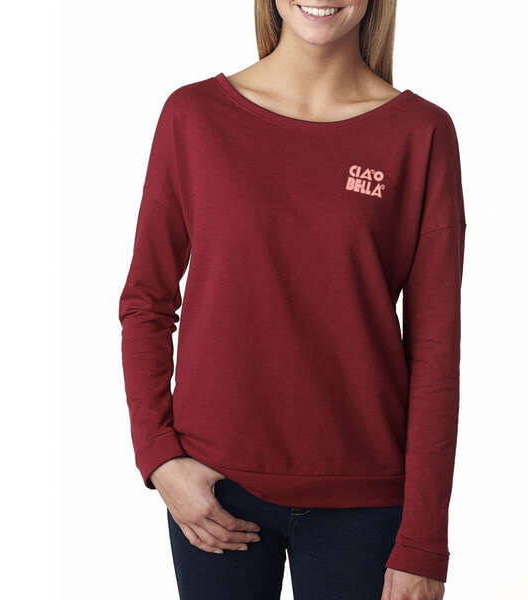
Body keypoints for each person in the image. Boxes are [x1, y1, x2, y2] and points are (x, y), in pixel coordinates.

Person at [118, 1, 466, 599]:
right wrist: (159, 457)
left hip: (367, 501)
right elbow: (146, 301)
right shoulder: (193, 116)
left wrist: (425, 539)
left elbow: (436, 350)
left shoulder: (421, 133)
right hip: (214, 493)